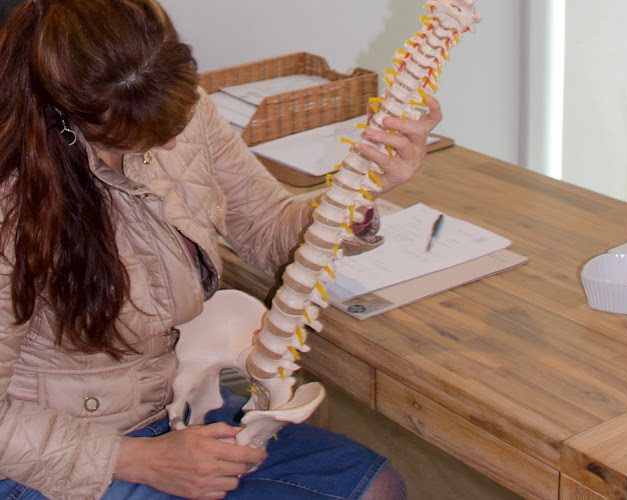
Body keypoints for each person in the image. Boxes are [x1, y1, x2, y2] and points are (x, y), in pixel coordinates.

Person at [0, 0, 441, 499]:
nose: (169, 147)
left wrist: (360, 191)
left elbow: (269, 228)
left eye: (173, 124)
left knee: (376, 488)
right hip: (59, 454)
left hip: (173, 403)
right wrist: (141, 460)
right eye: (133, 140)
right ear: (66, 116)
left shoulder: (183, 113)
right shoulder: (12, 203)